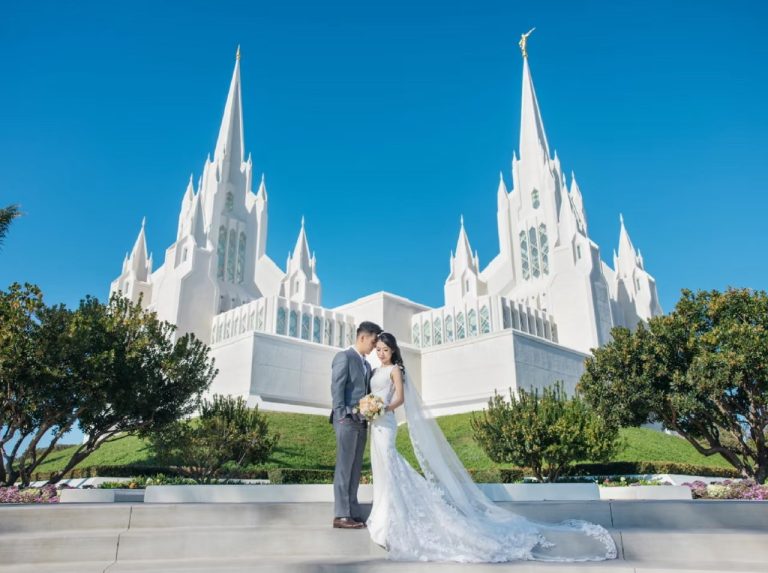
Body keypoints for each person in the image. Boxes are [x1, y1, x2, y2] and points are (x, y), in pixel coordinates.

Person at [365, 331, 617, 562]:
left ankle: (393, 516)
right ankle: (383, 511)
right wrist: (368, 407)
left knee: (391, 463)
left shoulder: (395, 370)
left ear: (394, 351)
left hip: (385, 422)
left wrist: (381, 408)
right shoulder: (376, 371)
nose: (381, 353)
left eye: (385, 349)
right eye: (378, 349)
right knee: (382, 467)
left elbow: (399, 398)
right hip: (374, 424)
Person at [329, 320, 382, 529]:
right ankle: (341, 515)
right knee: (344, 467)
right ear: (362, 337)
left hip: (361, 423)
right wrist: (341, 415)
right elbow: (337, 388)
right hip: (346, 421)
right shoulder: (344, 357)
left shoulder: (367, 364)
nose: (374, 345)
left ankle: (352, 511)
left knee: (355, 467)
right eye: (373, 340)